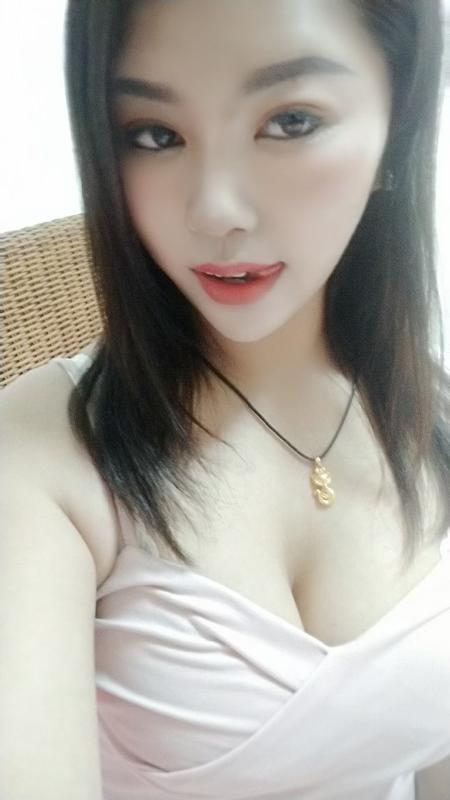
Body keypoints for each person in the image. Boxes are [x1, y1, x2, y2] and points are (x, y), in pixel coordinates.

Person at [1, 1, 449, 798]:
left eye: (290, 121)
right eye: (153, 134)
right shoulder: (42, 460)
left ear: (399, 114)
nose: (215, 211)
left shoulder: (432, 414)